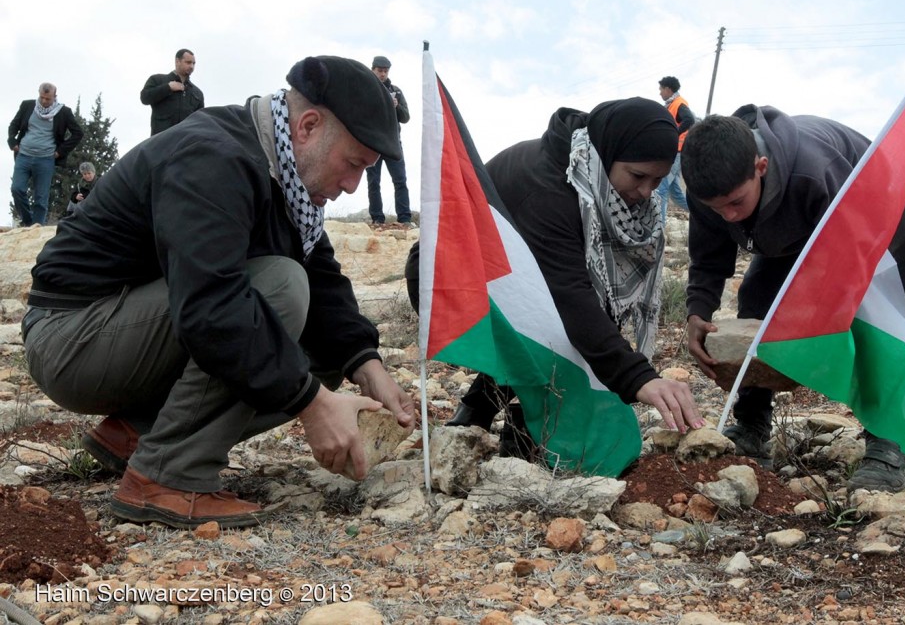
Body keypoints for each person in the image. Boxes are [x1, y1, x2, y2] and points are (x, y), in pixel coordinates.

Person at [23, 56, 416, 529]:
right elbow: (211, 307)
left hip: (124, 334)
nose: (353, 185)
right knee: (281, 289)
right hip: (72, 339)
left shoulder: (288, 179)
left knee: (330, 341)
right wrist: (314, 406)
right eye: (353, 164)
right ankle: (167, 475)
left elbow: (323, 278)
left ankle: (138, 432)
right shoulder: (213, 157)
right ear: (308, 126)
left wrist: (368, 367)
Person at [409, 98, 704, 439]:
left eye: (657, 181)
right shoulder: (549, 189)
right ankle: (519, 420)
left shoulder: (593, 175)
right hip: (448, 281)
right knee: (554, 329)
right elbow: (569, 299)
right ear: (608, 152)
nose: (645, 192)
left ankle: (485, 411)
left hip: (508, 280)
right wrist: (639, 378)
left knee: (568, 319)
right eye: (638, 176)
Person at [680, 105, 905, 492]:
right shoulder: (711, 187)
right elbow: (708, 258)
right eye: (716, 208)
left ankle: (892, 444)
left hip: (884, 215)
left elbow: (849, 271)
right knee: (757, 300)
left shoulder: (816, 172)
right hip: (801, 228)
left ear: (760, 167)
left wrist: (816, 330)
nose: (727, 216)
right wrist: (697, 312)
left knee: (872, 321)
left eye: (735, 203)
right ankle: (752, 425)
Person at [8, 82, 83, 226]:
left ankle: (37, 227)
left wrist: (60, 152)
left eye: (47, 99)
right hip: (23, 155)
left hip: (45, 159)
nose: (44, 101)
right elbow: (14, 125)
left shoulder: (63, 112)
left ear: (55, 96)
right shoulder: (27, 106)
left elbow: (78, 133)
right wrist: (12, 142)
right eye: (41, 97)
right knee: (17, 189)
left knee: (41, 198)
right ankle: (29, 222)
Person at [365, 56, 412, 226]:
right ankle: (377, 219)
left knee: (400, 180)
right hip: (372, 144)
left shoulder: (396, 91)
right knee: (373, 182)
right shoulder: (365, 90)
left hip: (392, 143)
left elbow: (406, 117)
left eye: (385, 71)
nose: (383, 74)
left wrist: (396, 106)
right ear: (373, 70)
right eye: (380, 71)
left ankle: (405, 219)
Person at [654, 76, 695, 222]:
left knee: (661, 190)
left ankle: (659, 228)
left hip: (677, 152)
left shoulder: (679, 103)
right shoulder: (672, 104)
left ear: (668, 89)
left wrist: (673, 134)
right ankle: (702, 213)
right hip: (677, 152)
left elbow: (689, 120)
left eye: (661, 89)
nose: (659, 93)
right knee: (675, 193)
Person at [140, 48, 205, 136]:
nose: (191, 66)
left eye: (193, 63)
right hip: (161, 141)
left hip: (185, 143)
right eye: (188, 62)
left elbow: (200, 121)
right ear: (177, 61)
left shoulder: (197, 93)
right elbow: (145, 98)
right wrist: (168, 87)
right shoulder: (158, 80)